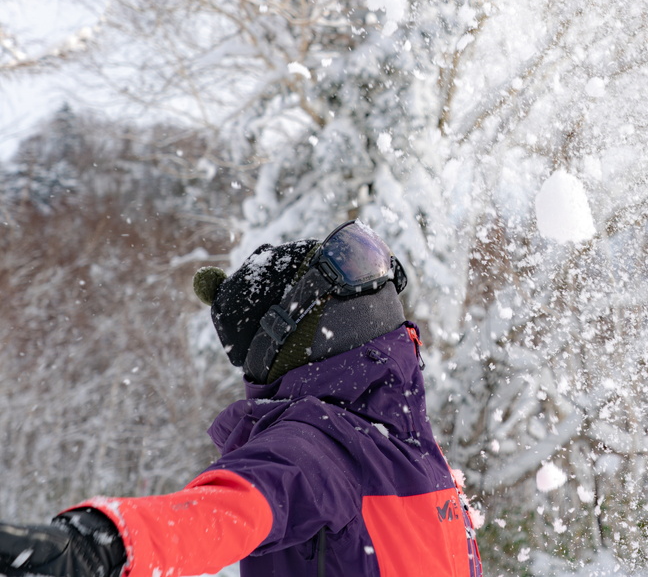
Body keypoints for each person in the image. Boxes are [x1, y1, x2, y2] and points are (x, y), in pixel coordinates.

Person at [0, 220, 482, 577]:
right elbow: (230, 510)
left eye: (369, 258)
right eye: (351, 270)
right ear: (297, 332)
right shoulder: (320, 449)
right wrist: (106, 544)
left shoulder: (416, 453)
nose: (374, 279)